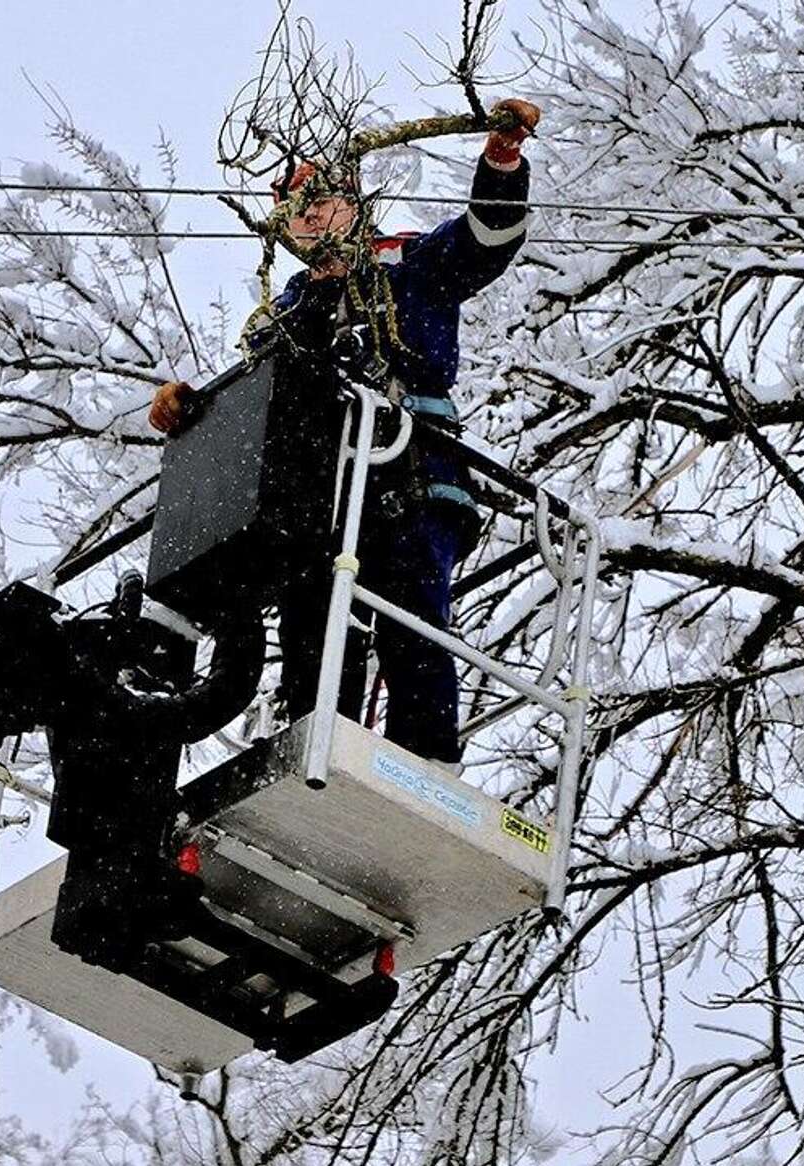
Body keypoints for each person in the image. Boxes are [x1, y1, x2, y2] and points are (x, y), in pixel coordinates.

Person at [148, 98, 539, 765]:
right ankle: (316, 748)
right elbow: (258, 406)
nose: (310, 213)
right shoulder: (282, 316)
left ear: (354, 204)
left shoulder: (409, 267)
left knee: (412, 621)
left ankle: (424, 765)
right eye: (295, 209)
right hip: (316, 501)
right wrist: (192, 409)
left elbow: (487, 238)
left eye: (322, 198)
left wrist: (501, 161)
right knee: (313, 629)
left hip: (410, 471)